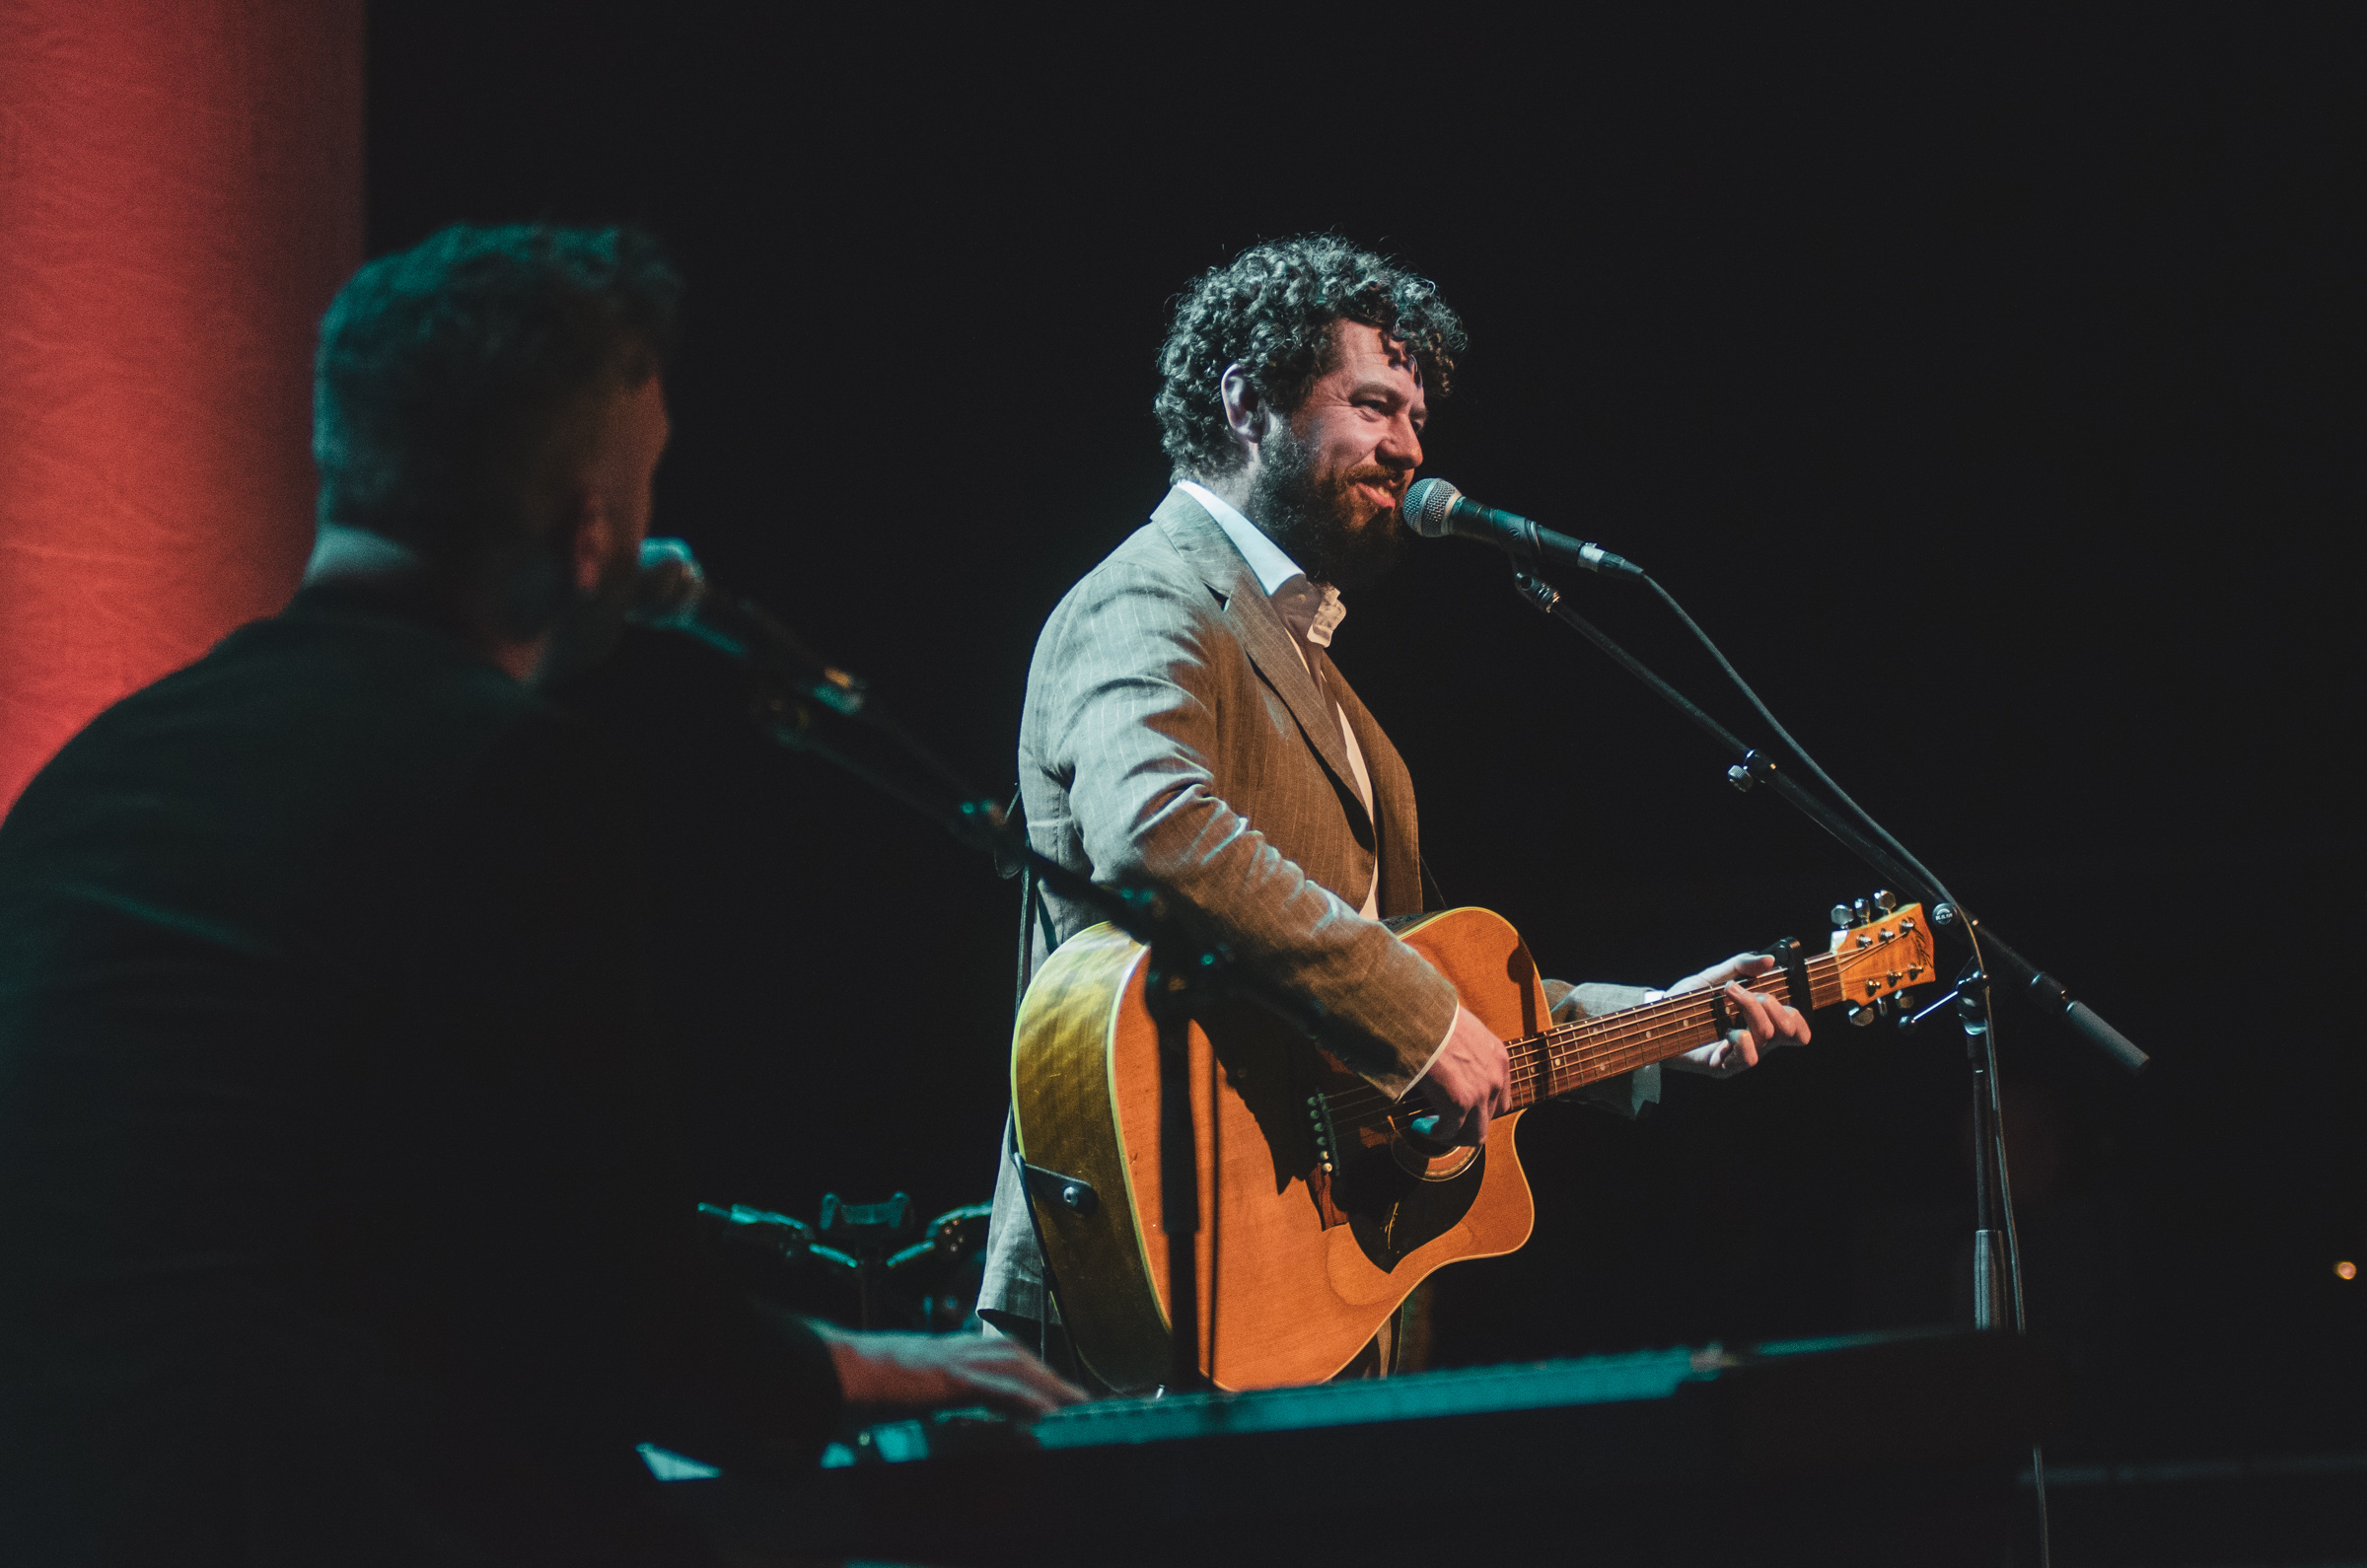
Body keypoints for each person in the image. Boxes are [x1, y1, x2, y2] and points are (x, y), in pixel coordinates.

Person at [0, 225, 1078, 1568]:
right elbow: (618, 1324)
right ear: (589, 535)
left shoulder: (96, 774)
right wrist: (883, 1370)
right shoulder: (500, 767)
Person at [978, 236, 1812, 1379]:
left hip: (1323, 1290)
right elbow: (1157, 834)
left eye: (1418, 417)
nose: (1411, 449)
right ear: (1248, 403)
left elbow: (1440, 988)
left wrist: (1657, 1020)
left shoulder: (1335, 694)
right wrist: (1416, 1023)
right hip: (1148, 1269)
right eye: (1375, 405)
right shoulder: (1145, 597)